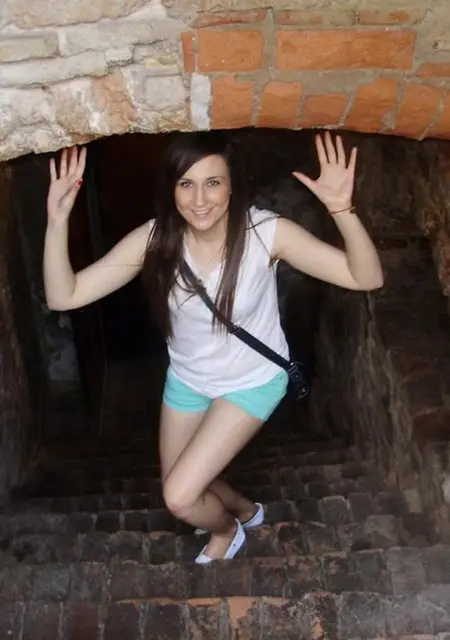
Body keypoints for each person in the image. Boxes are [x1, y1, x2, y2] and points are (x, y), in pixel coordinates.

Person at [43, 131, 383, 564]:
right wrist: (58, 221)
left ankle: (226, 528)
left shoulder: (265, 233)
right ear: (171, 189)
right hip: (187, 381)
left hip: (251, 381)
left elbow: (365, 277)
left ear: (233, 186)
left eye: (213, 183)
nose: (199, 199)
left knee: (180, 497)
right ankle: (244, 509)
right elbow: (64, 295)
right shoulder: (156, 239)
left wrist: (341, 210)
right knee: (183, 477)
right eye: (186, 183)